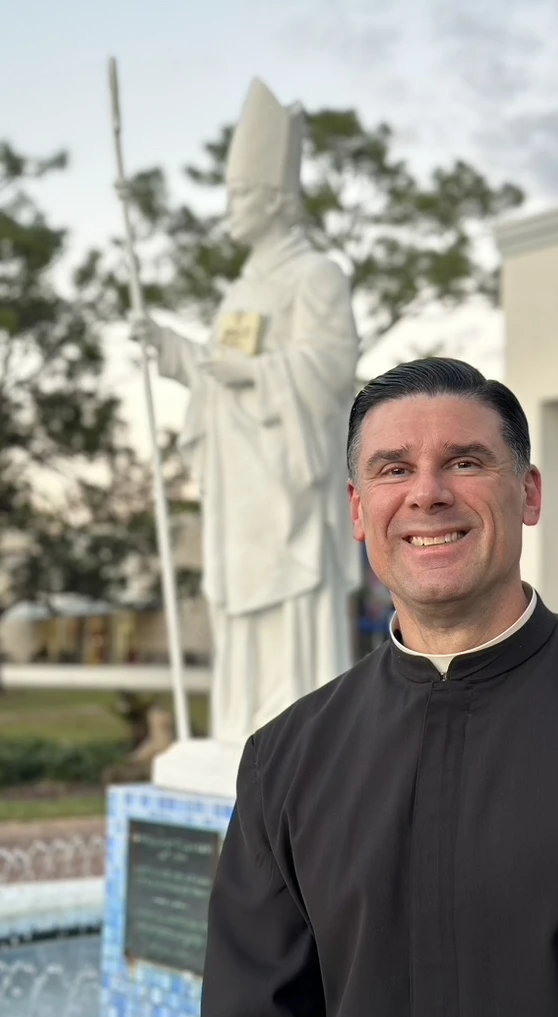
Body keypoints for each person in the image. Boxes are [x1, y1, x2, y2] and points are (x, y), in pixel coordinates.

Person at [201, 357, 558, 1017]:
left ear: (529, 494)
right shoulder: (284, 760)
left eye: (465, 462)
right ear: (359, 511)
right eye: (393, 469)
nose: (427, 493)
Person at [129, 79, 360, 744]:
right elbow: (215, 370)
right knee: (240, 617)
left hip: (288, 478)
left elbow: (330, 367)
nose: (228, 209)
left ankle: (298, 738)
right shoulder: (240, 291)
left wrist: (253, 374)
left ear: (274, 198)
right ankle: (241, 730)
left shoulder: (316, 275)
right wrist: (172, 350)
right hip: (242, 487)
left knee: (291, 610)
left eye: (238, 195)